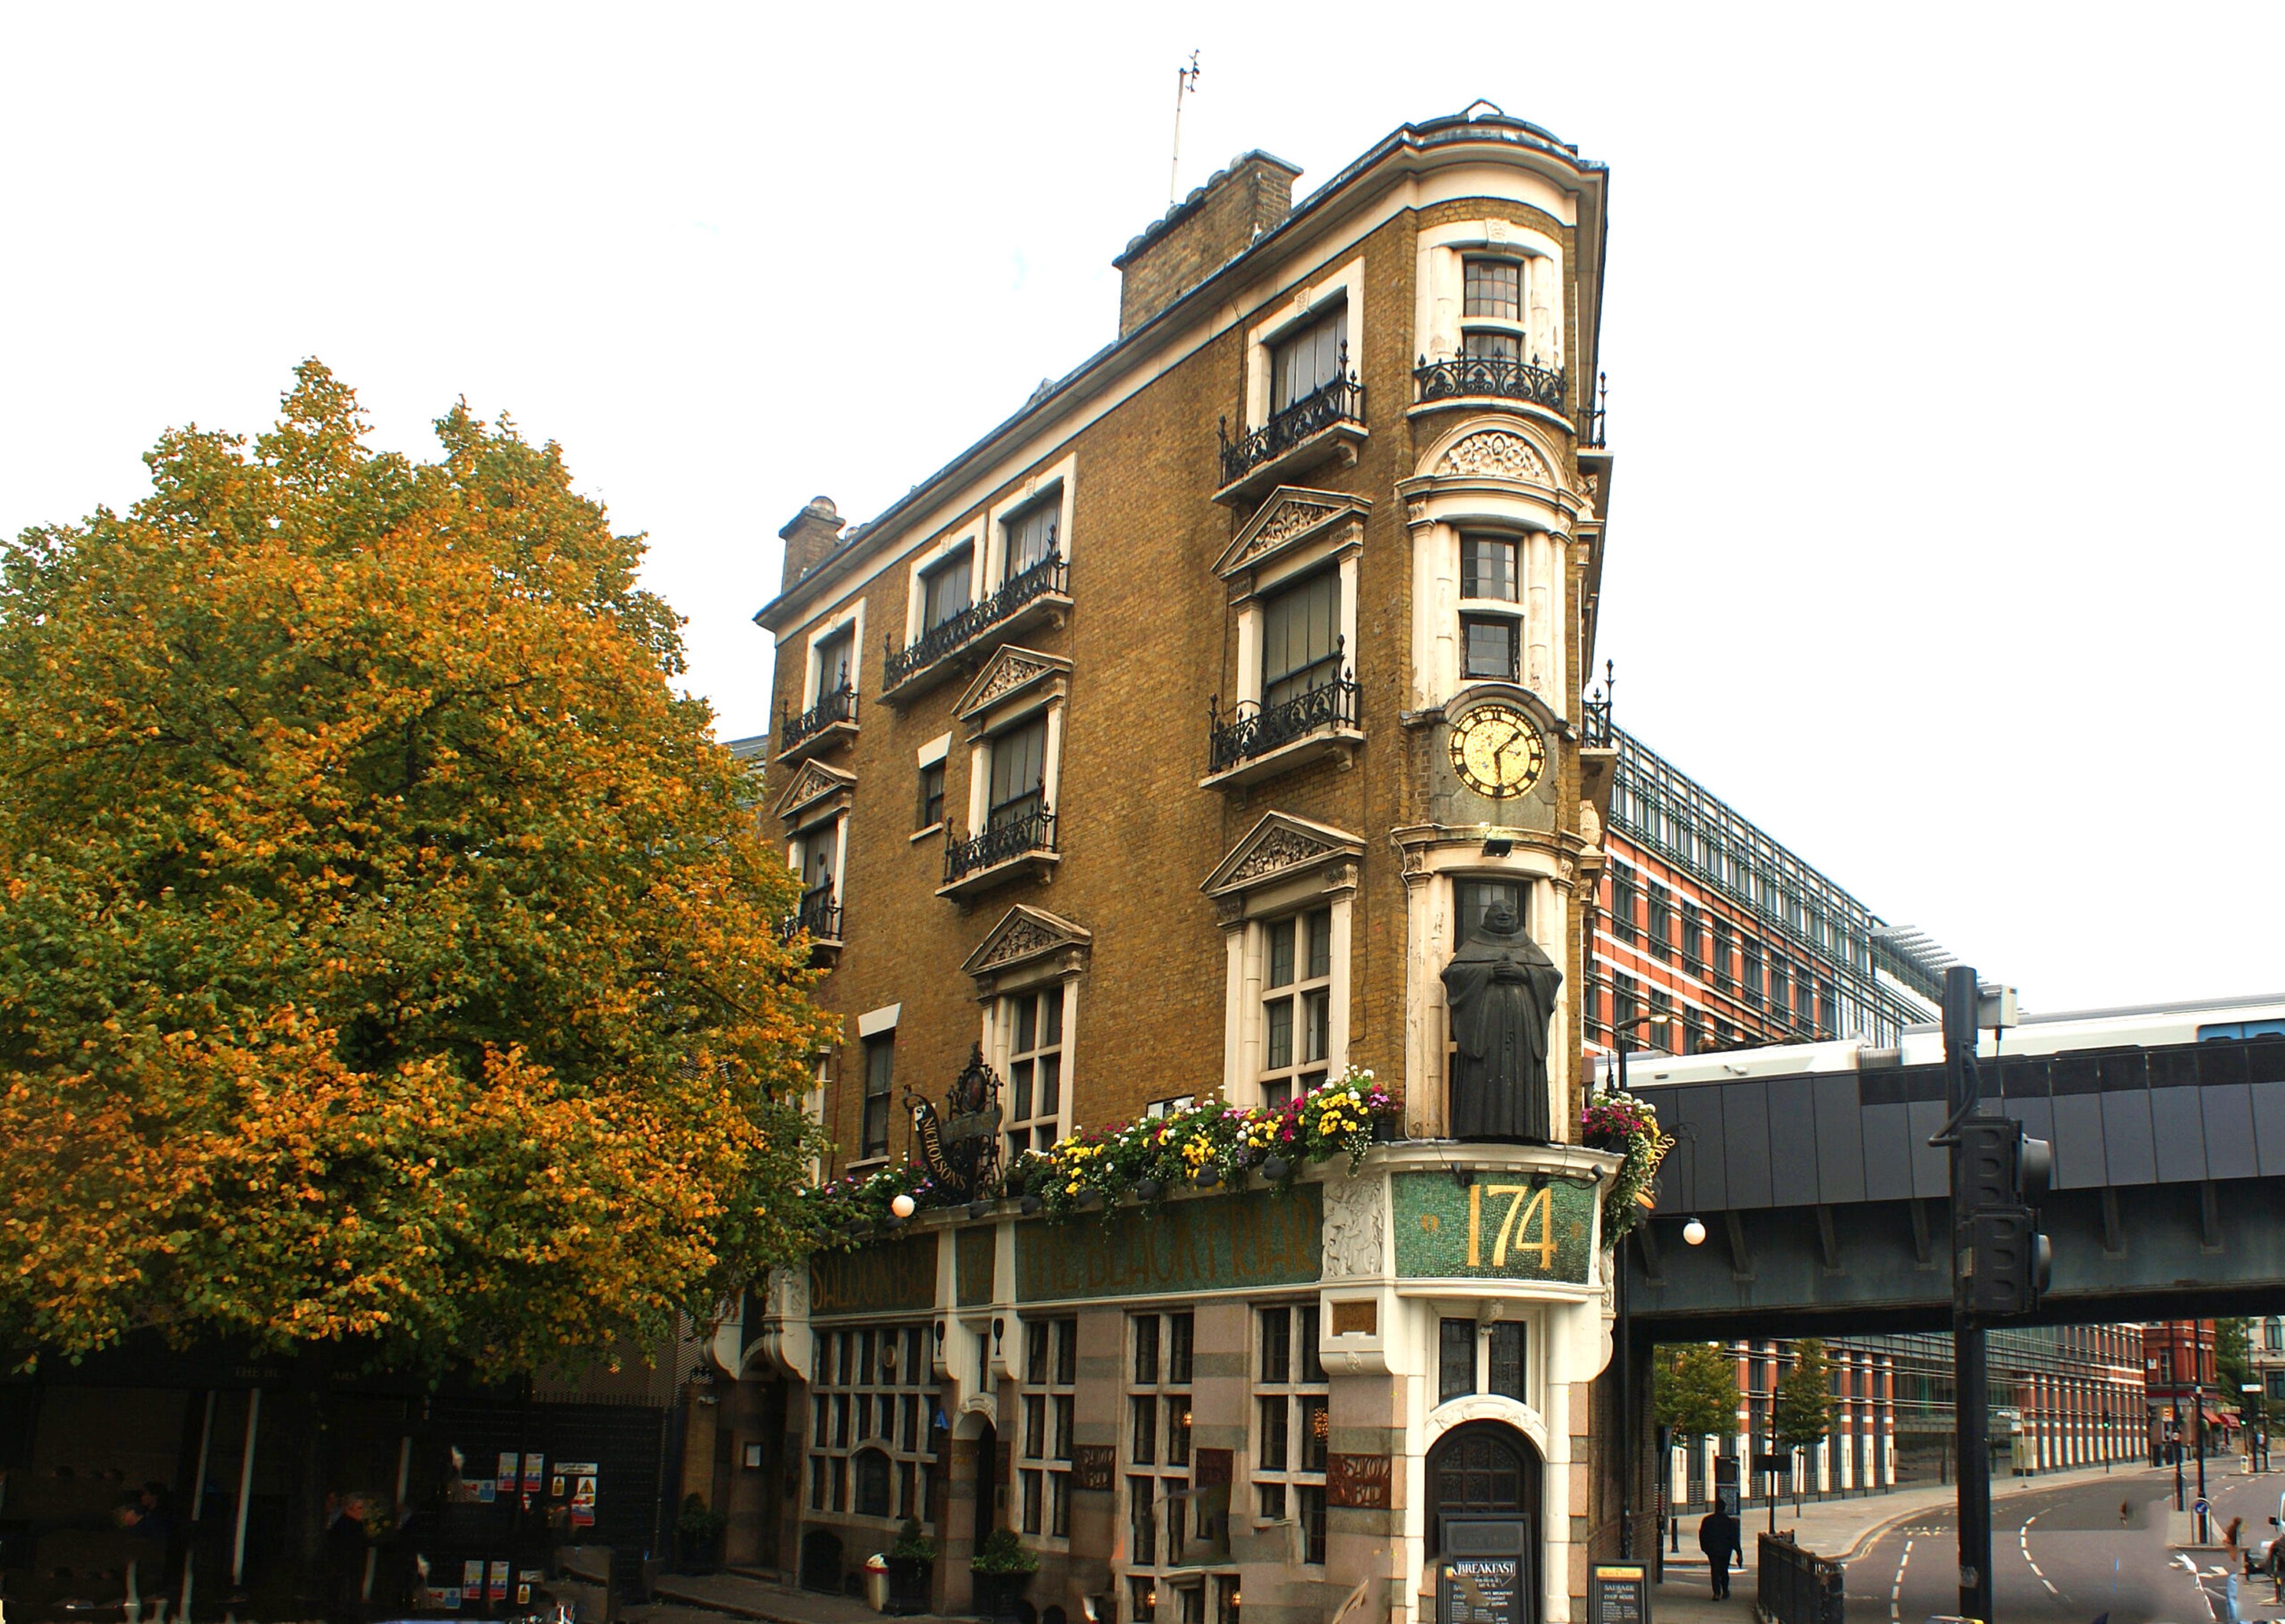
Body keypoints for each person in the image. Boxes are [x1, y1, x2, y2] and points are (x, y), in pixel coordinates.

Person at [1699, 1504, 1742, 1600]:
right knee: (1724, 1570)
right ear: (1724, 1509)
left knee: (1715, 1570)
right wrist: (1739, 1552)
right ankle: (1725, 1590)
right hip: (1726, 1550)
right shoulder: (1730, 1522)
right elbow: (1735, 1538)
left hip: (1712, 1550)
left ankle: (1717, 1593)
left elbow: (1702, 1535)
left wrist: (1704, 1548)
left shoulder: (1708, 1520)